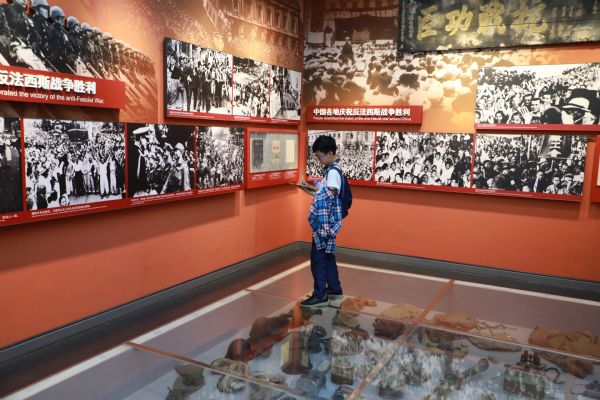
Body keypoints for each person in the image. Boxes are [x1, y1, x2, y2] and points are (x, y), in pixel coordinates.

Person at [300, 135, 344, 308]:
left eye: (320, 156)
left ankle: (320, 295)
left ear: (330, 153)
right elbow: (324, 194)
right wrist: (309, 188)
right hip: (328, 224)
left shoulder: (332, 173)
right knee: (328, 256)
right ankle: (334, 288)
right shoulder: (333, 170)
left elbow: (327, 202)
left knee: (318, 259)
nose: (319, 159)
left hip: (324, 225)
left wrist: (323, 230)